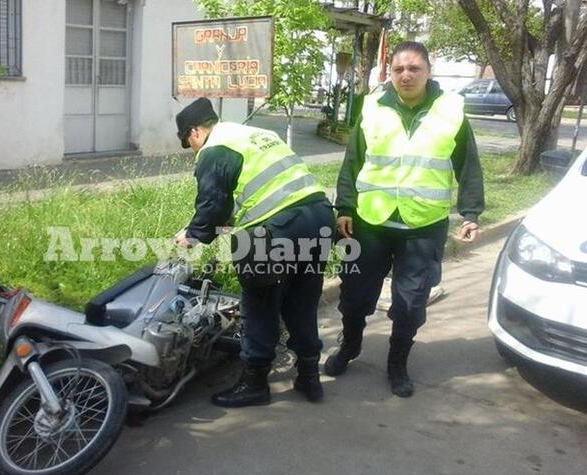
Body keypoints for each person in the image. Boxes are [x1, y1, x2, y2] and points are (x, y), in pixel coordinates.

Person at [326, 41, 485, 398]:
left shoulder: (450, 112)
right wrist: (345, 208)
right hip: (371, 221)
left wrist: (471, 212)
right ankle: (349, 347)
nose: (406, 75)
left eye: (414, 68)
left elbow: (468, 165)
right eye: (398, 69)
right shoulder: (373, 107)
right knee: (354, 295)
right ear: (390, 73)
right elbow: (353, 160)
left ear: (429, 71)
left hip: (423, 226)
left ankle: (397, 363)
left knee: (411, 303)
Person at [173, 97, 335, 407]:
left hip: (278, 229)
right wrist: (218, 225)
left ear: (195, 132)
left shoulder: (214, 148)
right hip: (318, 217)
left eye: (189, 143)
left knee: (260, 303)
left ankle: (255, 384)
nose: (193, 149)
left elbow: (213, 204)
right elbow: (262, 191)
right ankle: (309, 379)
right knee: (302, 300)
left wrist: (193, 234)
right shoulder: (256, 135)